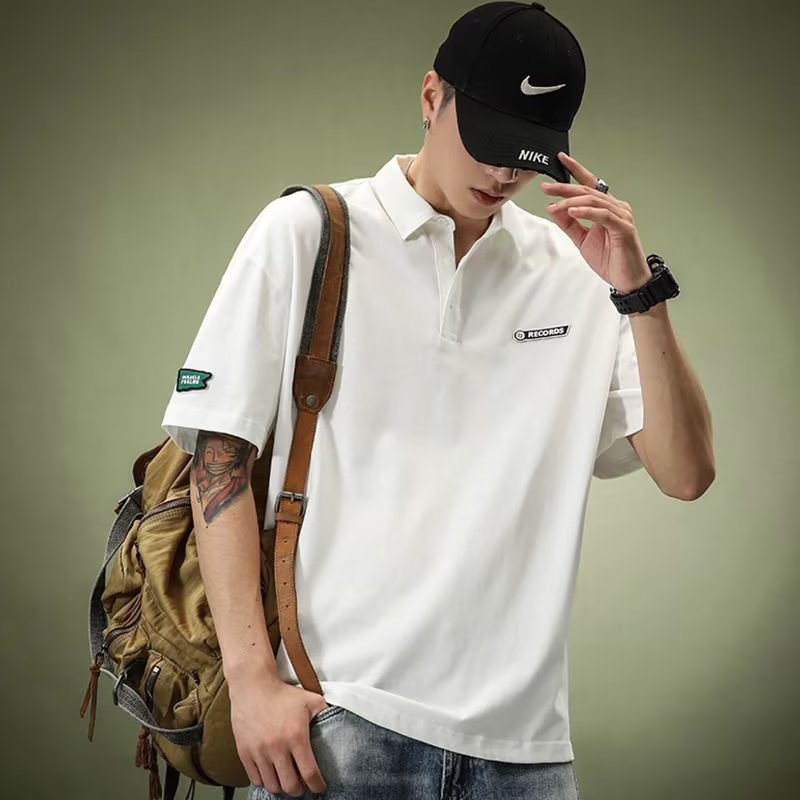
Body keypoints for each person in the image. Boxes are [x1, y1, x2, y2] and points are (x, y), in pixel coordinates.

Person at [161, 2, 714, 798]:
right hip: (336, 726)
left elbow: (687, 474)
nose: (504, 175)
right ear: (431, 98)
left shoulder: (578, 272)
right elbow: (217, 457)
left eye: (526, 155)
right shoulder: (308, 232)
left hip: (527, 754)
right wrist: (251, 684)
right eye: (488, 143)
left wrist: (639, 293)